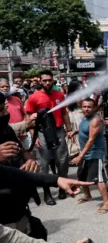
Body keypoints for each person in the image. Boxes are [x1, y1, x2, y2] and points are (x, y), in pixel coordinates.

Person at [25, 70, 73, 206]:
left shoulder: (59, 95)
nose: (47, 82)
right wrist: (34, 135)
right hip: (41, 133)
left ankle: (63, 187)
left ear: (53, 81)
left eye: (49, 80)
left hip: (58, 131)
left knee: (63, 161)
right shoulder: (34, 97)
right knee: (44, 164)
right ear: (40, 81)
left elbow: (64, 113)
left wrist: (69, 129)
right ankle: (47, 192)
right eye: (44, 80)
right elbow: (29, 117)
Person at [71, 98, 108, 214]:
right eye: (84, 107)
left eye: (89, 107)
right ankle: (87, 194)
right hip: (85, 152)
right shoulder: (85, 118)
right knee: (81, 175)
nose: (86, 109)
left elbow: (91, 140)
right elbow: (84, 130)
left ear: (95, 108)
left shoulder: (95, 120)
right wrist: (75, 132)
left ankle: (107, 203)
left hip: (94, 153)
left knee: (98, 179)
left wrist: (80, 156)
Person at [65, 81, 84, 159]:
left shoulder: (83, 96)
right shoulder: (69, 98)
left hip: (81, 116)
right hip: (72, 118)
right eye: (79, 88)